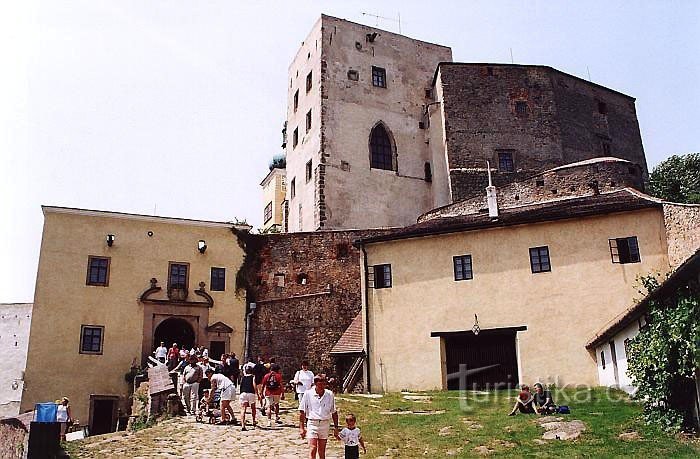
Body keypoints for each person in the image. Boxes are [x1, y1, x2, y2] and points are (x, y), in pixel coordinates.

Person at [299, 374, 339, 459]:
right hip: (312, 423)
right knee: (313, 448)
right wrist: (302, 427)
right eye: (320, 384)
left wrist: (336, 427)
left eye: (324, 384)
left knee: (321, 451)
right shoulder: (308, 394)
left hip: (325, 424)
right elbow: (302, 411)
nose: (322, 386)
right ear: (315, 384)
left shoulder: (329, 394)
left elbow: (334, 412)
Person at [261, 363, 284, 427]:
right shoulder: (279, 376)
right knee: (276, 405)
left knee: (269, 406)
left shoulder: (266, 376)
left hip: (268, 392)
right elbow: (281, 385)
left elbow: (263, 385)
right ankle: (276, 417)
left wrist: (261, 393)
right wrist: (283, 394)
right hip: (277, 392)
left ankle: (269, 421)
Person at [239, 364, 258, 431]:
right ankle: (253, 420)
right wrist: (257, 393)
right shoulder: (253, 377)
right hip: (251, 393)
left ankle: (243, 424)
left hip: (243, 393)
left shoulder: (243, 377)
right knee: (253, 408)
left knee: (243, 409)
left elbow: (241, 385)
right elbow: (254, 385)